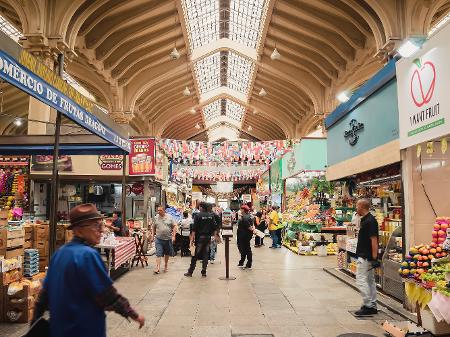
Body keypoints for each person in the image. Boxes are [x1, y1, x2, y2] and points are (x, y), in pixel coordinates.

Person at [32, 203, 145, 337]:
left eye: (101, 225)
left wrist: (34, 323)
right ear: (78, 230)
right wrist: (132, 314)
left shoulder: (59, 253)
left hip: (59, 330)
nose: (101, 230)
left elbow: (43, 296)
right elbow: (107, 295)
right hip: (84, 330)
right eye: (96, 226)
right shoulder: (87, 255)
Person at [354, 198, 380, 316]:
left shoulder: (370, 221)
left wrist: (374, 258)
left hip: (365, 257)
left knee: (361, 280)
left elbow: (374, 240)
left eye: (357, 206)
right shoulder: (366, 219)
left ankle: (368, 305)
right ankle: (372, 305)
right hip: (367, 256)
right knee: (370, 281)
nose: (356, 208)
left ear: (362, 207)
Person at [185, 202, 217, 277]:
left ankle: (190, 272)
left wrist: (191, 240)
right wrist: (214, 237)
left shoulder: (198, 215)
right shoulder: (211, 216)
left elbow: (194, 229)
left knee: (195, 255)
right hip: (208, 238)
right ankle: (204, 272)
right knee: (205, 254)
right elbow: (214, 228)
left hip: (200, 238)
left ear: (201, 207)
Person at [151, 206, 176, 274]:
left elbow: (174, 226)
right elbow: (153, 227)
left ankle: (165, 265)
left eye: (160, 210)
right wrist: (152, 235)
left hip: (168, 239)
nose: (159, 212)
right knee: (158, 253)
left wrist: (174, 236)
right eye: (158, 210)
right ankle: (158, 267)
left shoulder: (170, 217)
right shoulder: (156, 217)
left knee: (166, 253)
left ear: (164, 211)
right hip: (159, 239)